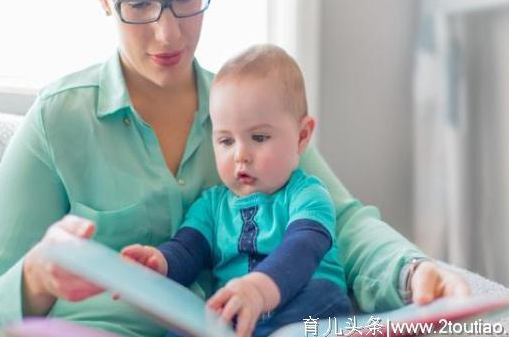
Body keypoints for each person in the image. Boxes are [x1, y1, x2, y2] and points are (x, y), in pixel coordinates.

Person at [0, 0, 470, 336]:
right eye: (138, 5)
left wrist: (412, 272)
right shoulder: (57, 122)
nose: (168, 35)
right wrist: (36, 277)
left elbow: (340, 222)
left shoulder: (248, 113)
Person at [121, 44, 353, 337]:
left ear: (301, 136)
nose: (241, 155)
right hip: (239, 310)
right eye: (226, 141)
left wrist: (258, 289)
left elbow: (303, 248)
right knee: (188, 327)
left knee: (306, 316)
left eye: (258, 137)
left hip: (308, 302)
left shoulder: (306, 194)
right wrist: (160, 264)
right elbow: (186, 250)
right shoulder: (211, 205)